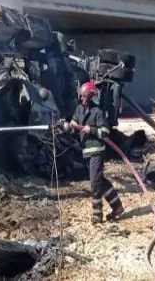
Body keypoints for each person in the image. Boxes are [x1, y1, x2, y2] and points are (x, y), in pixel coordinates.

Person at [58, 81, 125, 224]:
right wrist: (66, 127)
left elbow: (105, 132)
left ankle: (97, 214)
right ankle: (117, 206)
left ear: (89, 97)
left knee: (95, 183)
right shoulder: (79, 110)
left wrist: (92, 130)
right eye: (81, 97)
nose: (81, 99)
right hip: (86, 152)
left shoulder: (98, 112)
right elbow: (73, 127)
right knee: (100, 181)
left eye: (83, 97)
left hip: (96, 152)